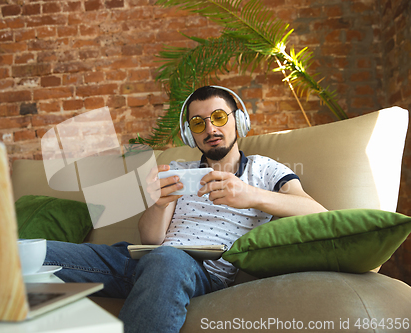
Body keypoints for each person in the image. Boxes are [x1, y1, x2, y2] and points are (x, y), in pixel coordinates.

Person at [44, 86, 327, 333]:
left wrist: (251, 195)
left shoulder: (264, 169)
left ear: (238, 121)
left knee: (168, 259)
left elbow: (317, 213)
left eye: (218, 117)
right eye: (198, 123)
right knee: (31, 252)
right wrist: (159, 203)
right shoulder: (179, 171)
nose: (210, 130)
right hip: (143, 260)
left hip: (201, 272)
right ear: (190, 134)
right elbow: (152, 241)